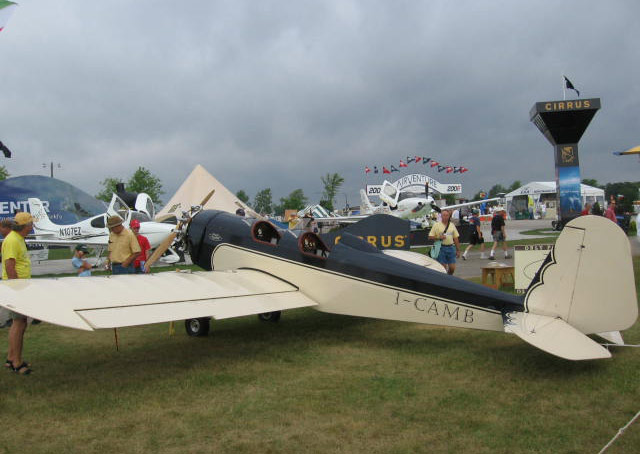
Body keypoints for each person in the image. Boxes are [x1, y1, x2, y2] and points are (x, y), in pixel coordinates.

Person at [2, 212, 34, 375]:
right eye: (30, 224)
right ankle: (17, 362)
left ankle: (11, 358)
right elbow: (9, 265)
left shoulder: (17, 238)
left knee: (20, 323)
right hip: (17, 287)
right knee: (19, 323)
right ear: (25, 226)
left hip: (21, 286)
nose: (32, 226)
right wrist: (16, 289)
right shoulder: (12, 240)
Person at [428, 209, 461, 275]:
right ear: (441, 216)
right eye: (444, 215)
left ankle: (448, 278)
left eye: (447, 215)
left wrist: (458, 250)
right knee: (443, 268)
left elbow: (456, 238)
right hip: (440, 248)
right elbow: (430, 237)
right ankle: (444, 281)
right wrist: (439, 237)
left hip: (451, 247)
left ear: (449, 216)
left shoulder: (452, 225)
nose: (445, 217)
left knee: (452, 268)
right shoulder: (436, 225)